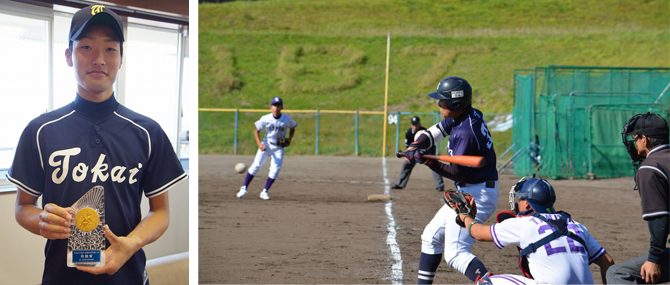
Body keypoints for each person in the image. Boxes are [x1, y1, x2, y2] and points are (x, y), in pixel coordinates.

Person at [7, 5, 187, 284]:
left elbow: (160, 211)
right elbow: (22, 208)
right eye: (87, 47)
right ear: (69, 56)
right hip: (61, 277)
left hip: (127, 276)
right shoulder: (40, 131)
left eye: (110, 49)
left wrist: (132, 243)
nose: (99, 59)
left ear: (121, 58)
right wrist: (41, 220)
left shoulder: (147, 132)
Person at [404, 76, 498, 283]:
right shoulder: (463, 115)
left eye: (442, 101)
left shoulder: (466, 133)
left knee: (456, 253)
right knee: (430, 237)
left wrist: (428, 162)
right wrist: (416, 146)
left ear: (455, 105)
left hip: (478, 193)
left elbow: (458, 173)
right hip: (469, 190)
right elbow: (435, 131)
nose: (438, 104)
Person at [452, 177, 614, 284]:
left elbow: (478, 233)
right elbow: (608, 261)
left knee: (486, 282)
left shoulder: (525, 223)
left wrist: (464, 216)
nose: (517, 202)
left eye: (520, 198)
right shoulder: (576, 225)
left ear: (528, 204)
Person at [607, 112, 669, 284]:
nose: (634, 143)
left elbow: (660, 218)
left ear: (645, 140)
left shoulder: (650, 167)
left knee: (617, 274)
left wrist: (654, 259)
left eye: (635, 138)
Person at [236, 96, 297, 200]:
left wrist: (289, 139)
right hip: (266, 144)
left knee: (275, 170)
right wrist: (259, 144)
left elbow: (293, 127)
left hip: (278, 147)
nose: (276, 108)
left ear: (282, 107)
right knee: (256, 166)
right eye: (274, 105)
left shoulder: (286, 119)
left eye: (278, 105)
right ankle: (244, 188)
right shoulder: (266, 118)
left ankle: (264, 191)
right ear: (270, 107)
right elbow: (256, 131)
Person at [391, 116, 444, 191]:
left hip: (428, 150)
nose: (415, 126)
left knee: (434, 165)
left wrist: (428, 155)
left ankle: (440, 186)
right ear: (411, 125)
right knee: (407, 165)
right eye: (413, 124)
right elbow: (408, 146)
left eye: (416, 124)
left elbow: (430, 144)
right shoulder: (409, 132)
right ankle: (400, 184)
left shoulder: (424, 131)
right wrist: (407, 156)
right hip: (414, 152)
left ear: (419, 124)